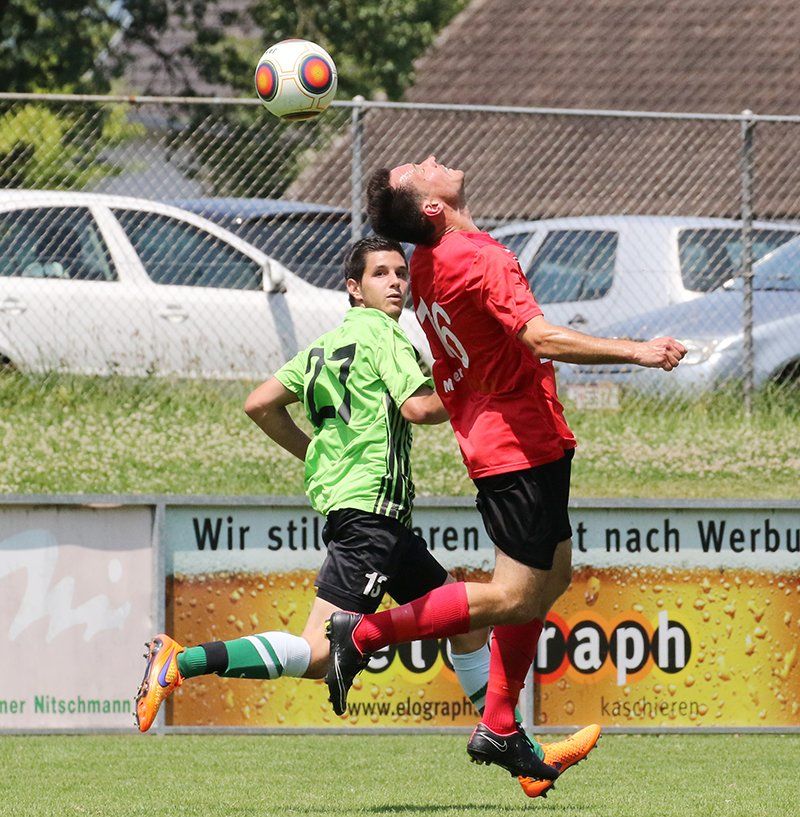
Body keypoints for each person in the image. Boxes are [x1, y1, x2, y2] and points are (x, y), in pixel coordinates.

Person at [133, 235, 560, 782]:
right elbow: (418, 408)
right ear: (354, 288)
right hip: (370, 516)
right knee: (317, 655)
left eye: (401, 273)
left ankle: (515, 748)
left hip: (376, 520)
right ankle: (181, 661)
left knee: (468, 627)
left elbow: (259, 403)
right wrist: (470, 383)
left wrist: (316, 451)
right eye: (381, 274)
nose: (397, 283)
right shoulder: (385, 335)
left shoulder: (324, 346)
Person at [323, 156, 687, 796]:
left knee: (555, 575)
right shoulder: (478, 258)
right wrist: (638, 350)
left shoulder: (429, 265)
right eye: (420, 168)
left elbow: (461, 360)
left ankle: (498, 724)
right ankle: (366, 633)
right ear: (431, 206)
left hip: (513, 438)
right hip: (517, 445)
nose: (433, 160)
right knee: (515, 595)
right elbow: (539, 339)